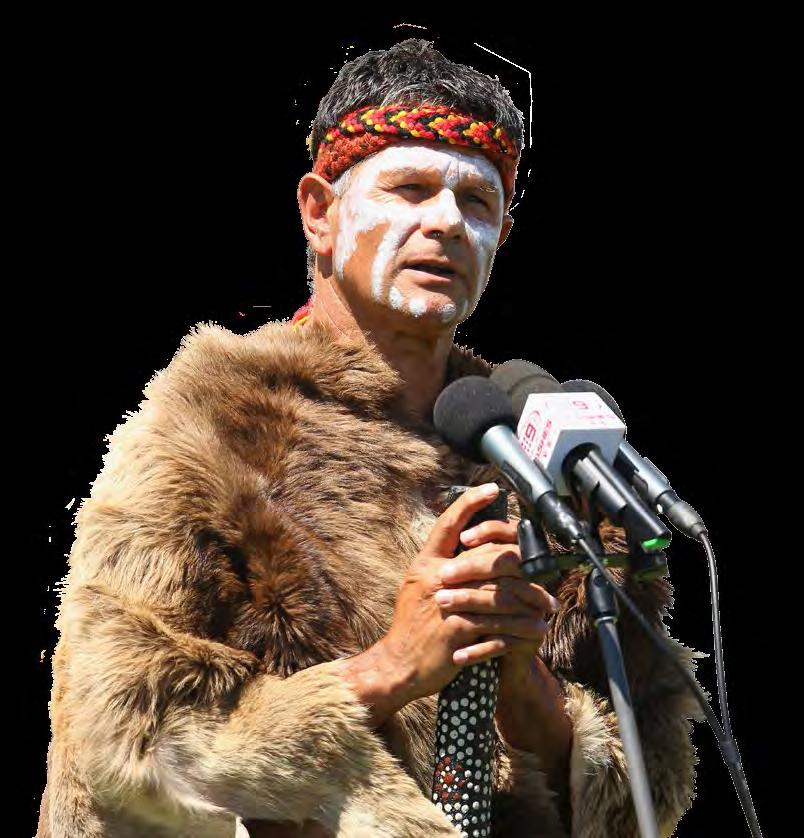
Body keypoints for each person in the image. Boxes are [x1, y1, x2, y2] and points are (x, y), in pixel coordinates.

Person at [36, 38, 705, 837]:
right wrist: (390, 670)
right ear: (320, 213)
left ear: (502, 234)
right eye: (410, 188)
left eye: (478, 202)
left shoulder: (547, 451)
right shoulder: (207, 429)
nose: (447, 222)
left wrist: (524, 688)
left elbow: (650, 789)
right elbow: (127, 750)